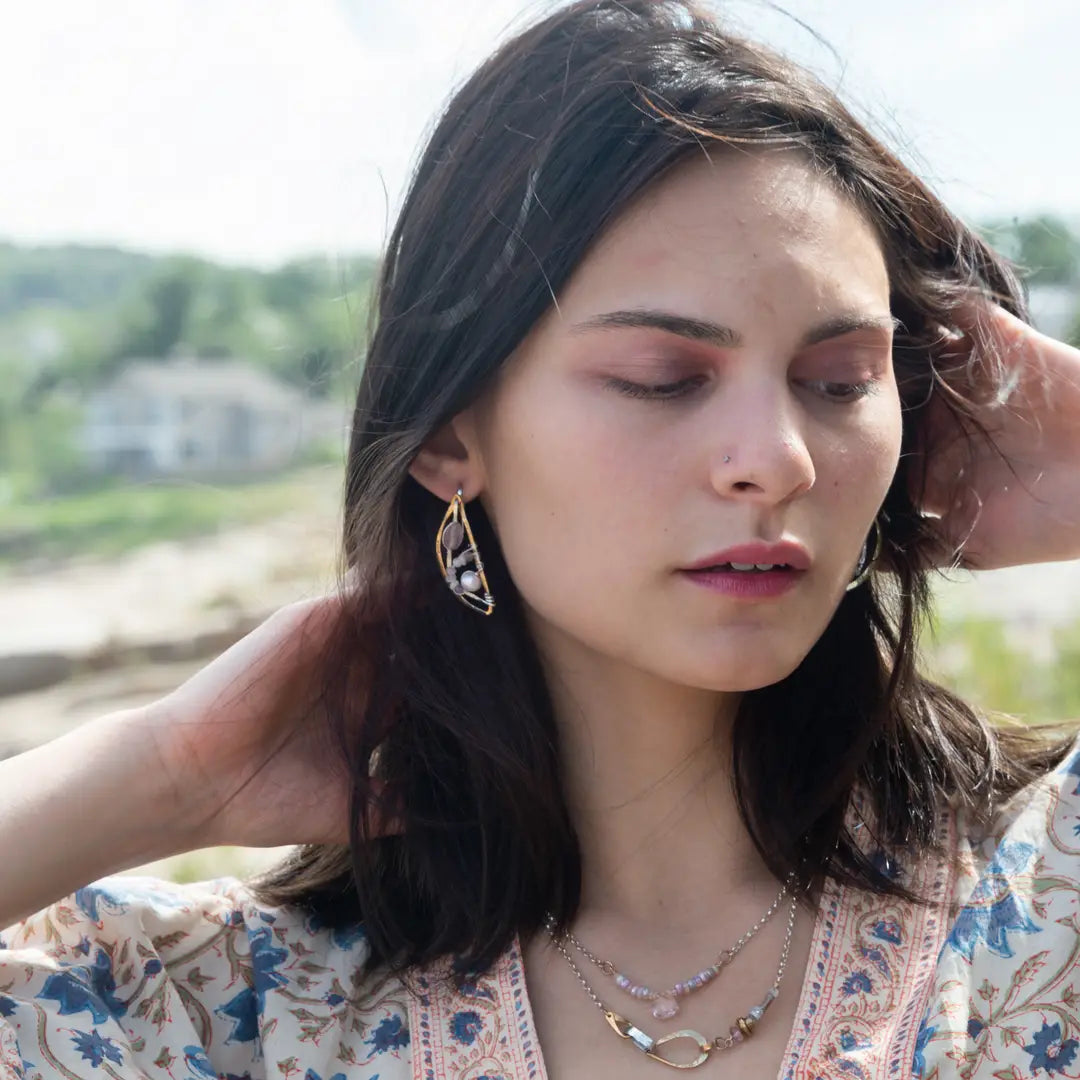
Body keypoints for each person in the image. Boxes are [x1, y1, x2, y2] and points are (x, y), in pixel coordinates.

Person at [3, 1, 1080, 1077]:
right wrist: (167, 776)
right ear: (447, 438)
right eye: (665, 380)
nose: (778, 457)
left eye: (840, 382)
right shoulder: (232, 1009)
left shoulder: (1041, 902)